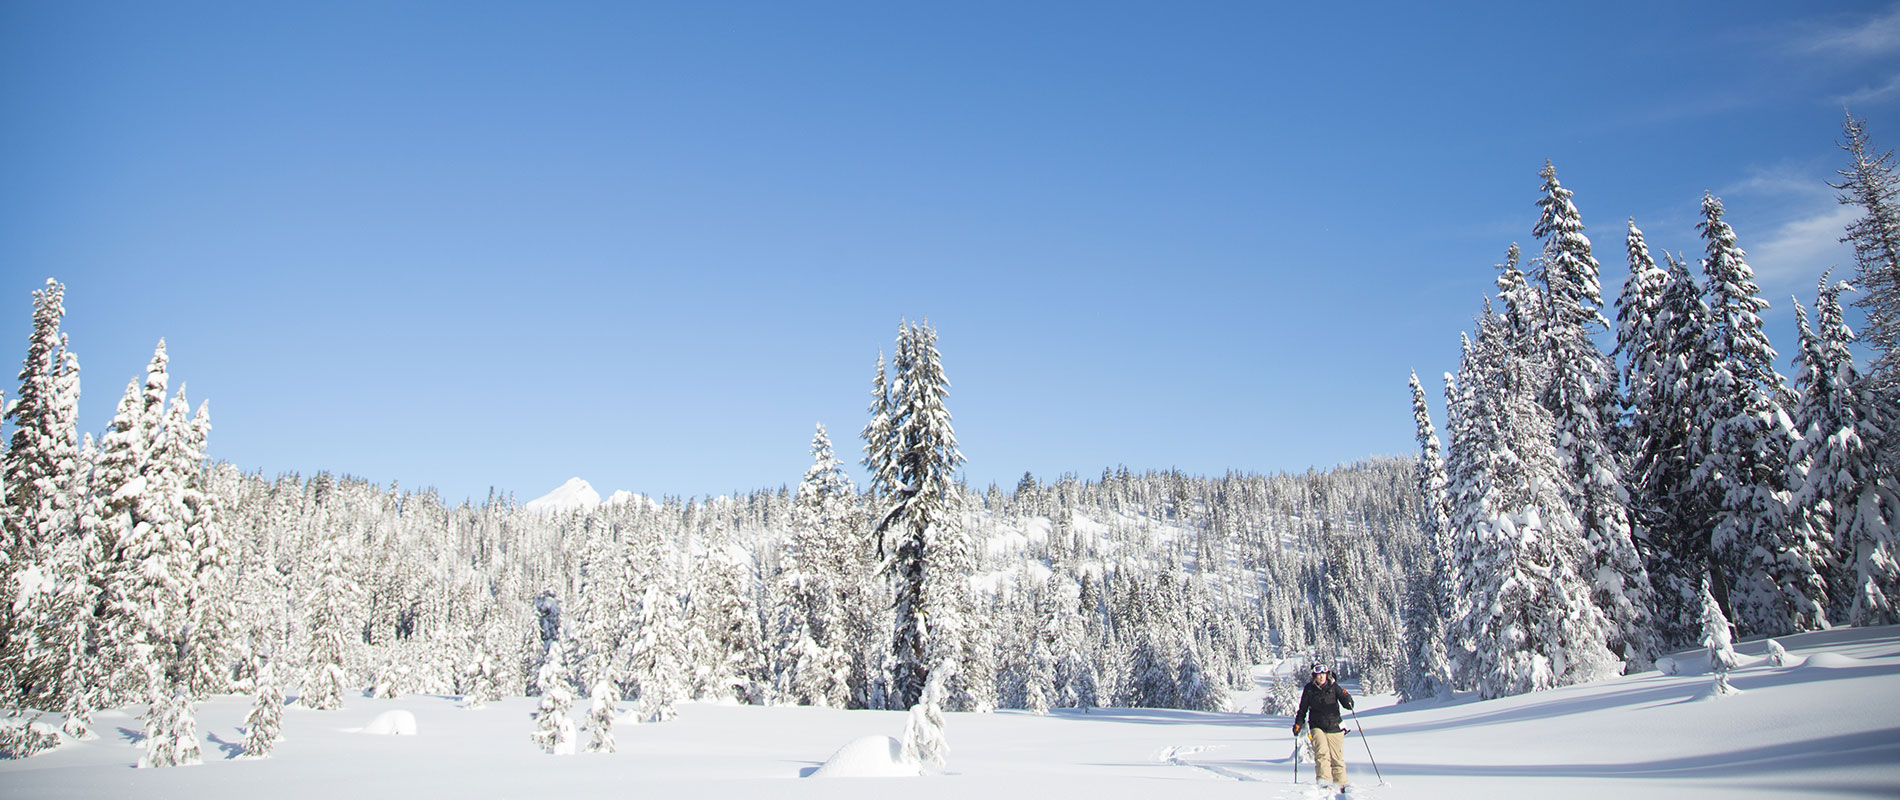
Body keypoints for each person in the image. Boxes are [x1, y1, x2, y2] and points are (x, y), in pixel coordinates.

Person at [1292, 662, 1354, 790]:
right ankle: (1324, 781)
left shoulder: (1334, 687)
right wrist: (1298, 724)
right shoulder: (1309, 689)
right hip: (1317, 725)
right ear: (1314, 676)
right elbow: (1302, 709)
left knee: (1336, 757)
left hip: (1335, 725)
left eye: (1323, 674)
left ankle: (1341, 782)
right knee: (1321, 752)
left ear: (1327, 674)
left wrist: (1348, 699)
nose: (1321, 677)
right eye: (1318, 675)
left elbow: (1347, 704)